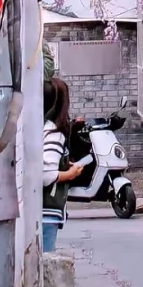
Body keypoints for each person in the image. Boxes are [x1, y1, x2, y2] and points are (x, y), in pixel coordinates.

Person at [42, 77, 88, 251]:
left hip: (42, 211)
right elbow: (45, 174)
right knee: (46, 260)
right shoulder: (53, 133)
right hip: (47, 211)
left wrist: (64, 163)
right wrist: (71, 174)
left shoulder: (42, 128)